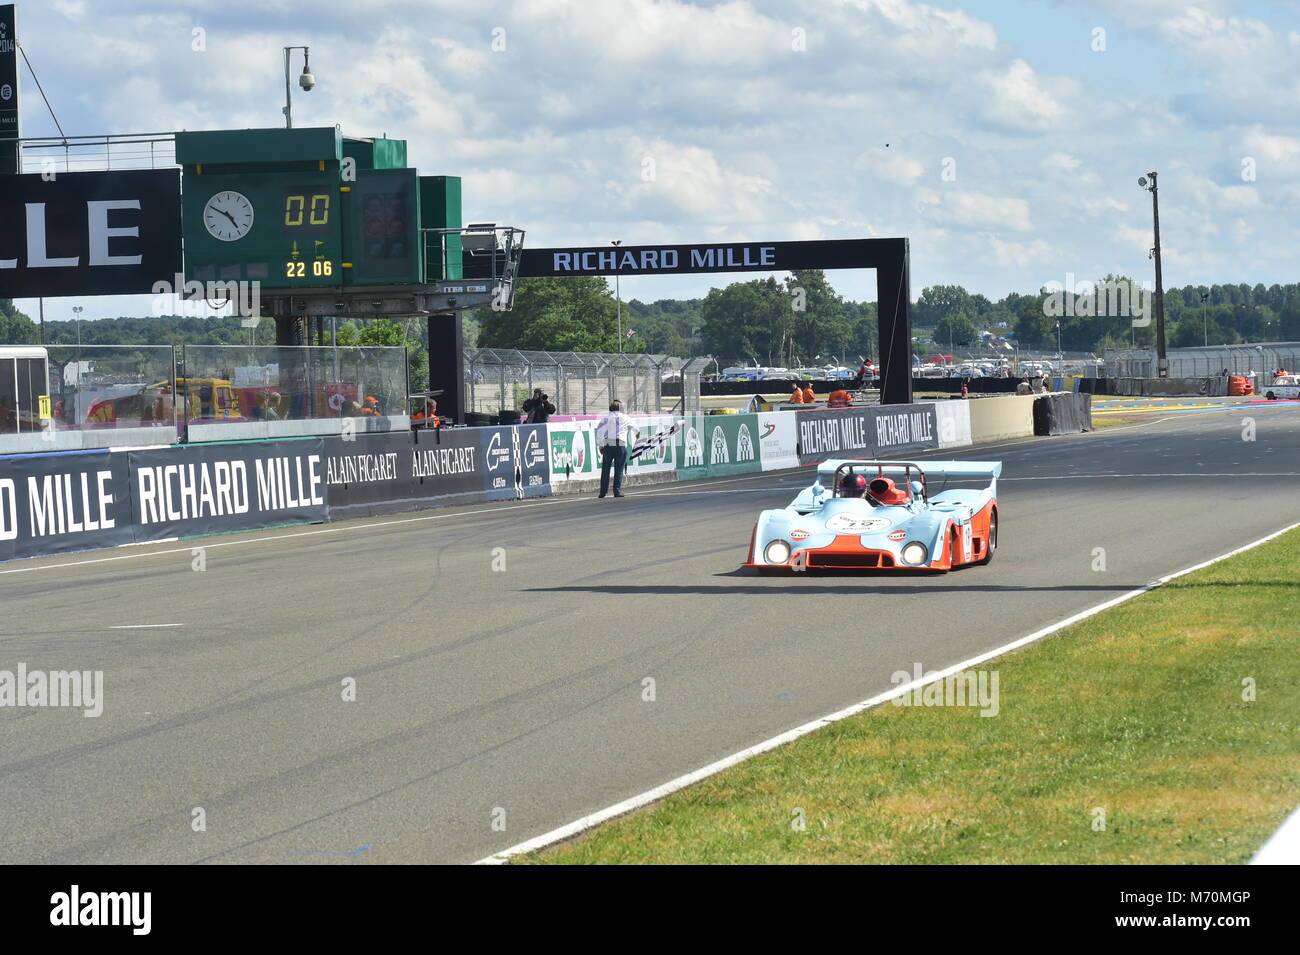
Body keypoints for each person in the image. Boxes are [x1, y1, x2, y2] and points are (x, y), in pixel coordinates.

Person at [595, 399, 637, 498]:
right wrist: (637, 435)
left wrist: (601, 445)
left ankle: (603, 492)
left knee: (605, 469)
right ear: (621, 408)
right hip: (620, 444)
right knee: (619, 469)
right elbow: (636, 428)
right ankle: (617, 491)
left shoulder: (605, 418)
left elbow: (599, 432)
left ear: (610, 408)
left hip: (608, 444)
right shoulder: (626, 417)